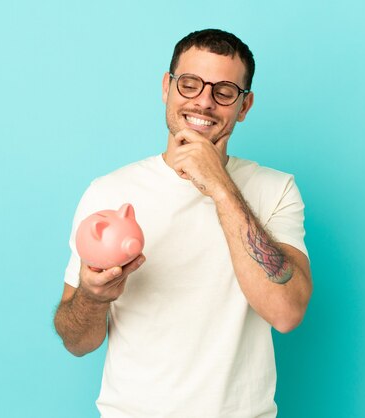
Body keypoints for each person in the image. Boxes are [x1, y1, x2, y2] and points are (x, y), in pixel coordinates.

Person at [54, 28, 312, 418]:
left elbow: (286, 312)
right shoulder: (109, 191)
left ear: (244, 106)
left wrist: (221, 187)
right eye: (190, 84)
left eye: (224, 91)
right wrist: (93, 296)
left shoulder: (276, 190)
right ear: (167, 88)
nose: (204, 102)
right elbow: (76, 341)